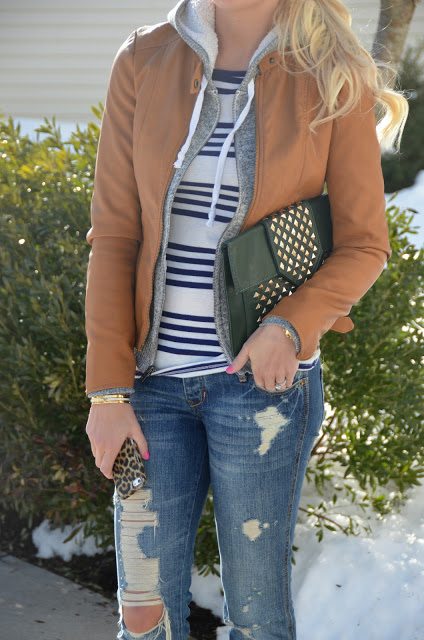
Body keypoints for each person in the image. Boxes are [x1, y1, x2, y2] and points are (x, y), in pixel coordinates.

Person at [84, 0, 408, 638]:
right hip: (147, 389)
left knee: (256, 617)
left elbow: (365, 244)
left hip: (262, 392)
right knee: (143, 611)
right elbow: (116, 233)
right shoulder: (144, 58)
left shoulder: (332, 71)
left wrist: (290, 326)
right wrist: (106, 392)